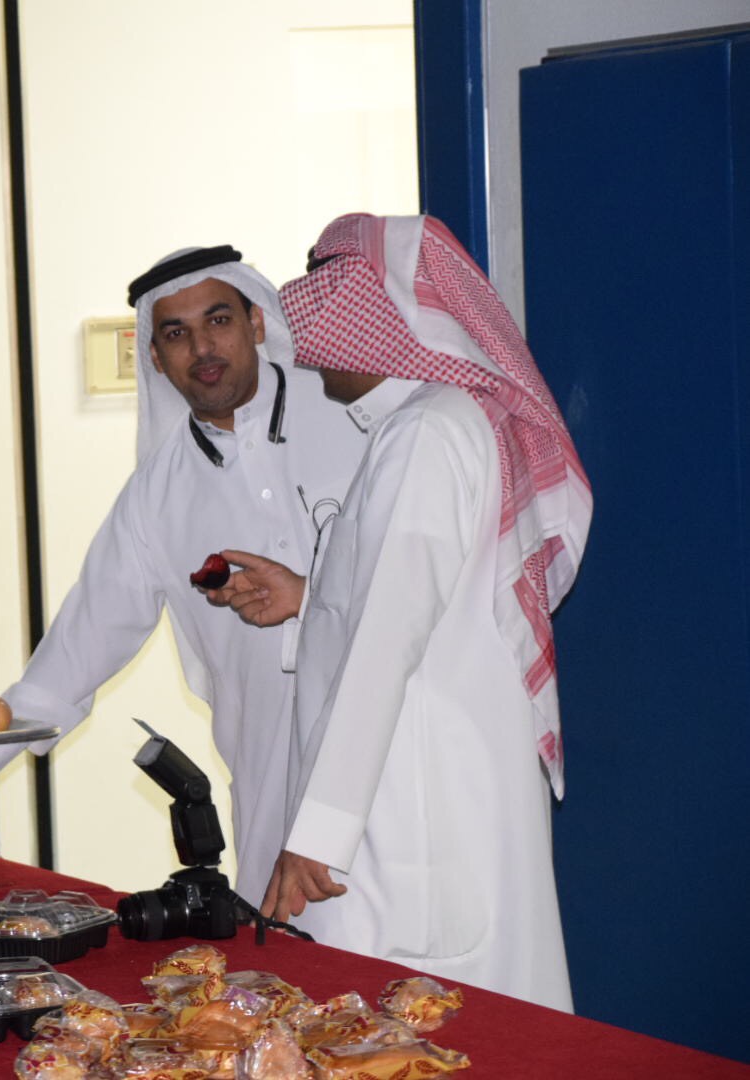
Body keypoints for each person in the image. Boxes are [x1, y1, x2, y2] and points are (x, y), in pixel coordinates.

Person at [0, 246, 368, 904]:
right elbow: (75, 651)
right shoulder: (157, 495)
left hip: (395, 756)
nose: (202, 348)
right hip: (274, 785)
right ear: (153, 356)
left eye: (218, 321)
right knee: (300, 958)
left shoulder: (354, 418)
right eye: (176, 334)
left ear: (257, 322)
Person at [226, 213, 591, 1010]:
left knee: (414, 1032)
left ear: (381, 321)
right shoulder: (439, 423)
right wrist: (307, 598)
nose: (308, 344)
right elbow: (419, 602)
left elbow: (386, 640)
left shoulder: (427, 434)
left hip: (410, 813)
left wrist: (318, 835)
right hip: (431, 792)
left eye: (327, 312)